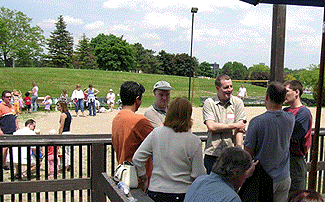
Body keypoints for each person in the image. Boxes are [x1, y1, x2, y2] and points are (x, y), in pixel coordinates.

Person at [133, 97, 206, 201]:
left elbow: (137, 158)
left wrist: (143, 177)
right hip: (183, 193)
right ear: (188, 115)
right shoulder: (194, 141)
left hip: (156, 191)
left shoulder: (156, 133)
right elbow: (198, 174)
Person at [244, 81, 295, 202]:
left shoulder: (257, 122)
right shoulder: (291, 118)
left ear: (267, 96)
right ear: (284, 99)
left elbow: (247, 152)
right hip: (284, 176)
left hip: (263, 178)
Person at [112, 81, 154, 190]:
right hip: (138, 179)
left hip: (123, 174)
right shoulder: (140, 121)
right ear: (137, 99)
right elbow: (159, 143)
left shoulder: (117, 118)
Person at [202, 74, 246, 174]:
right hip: (212, 154)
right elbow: (211, 126)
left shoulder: (238, 103)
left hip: (231, 154)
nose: (229, 89)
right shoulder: (209, 103)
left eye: (231, 86)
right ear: (217, 89)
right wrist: (235, 125)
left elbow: (240, 129)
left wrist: (239, 147)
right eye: (226, 87)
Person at [185, 147, 257, 202]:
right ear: (237, 173)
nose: (245, 177)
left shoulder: (199, 181)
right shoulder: (231, 198)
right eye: (244, 172)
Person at [283, 80, 312, 193]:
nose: (284, 95)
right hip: (283, 158)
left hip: (295, 159)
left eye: (286, 91)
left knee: (296, 193)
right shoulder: (285, 110)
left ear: (296, 92)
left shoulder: (303, 112)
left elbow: (294, 135)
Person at [0, 90, 19, 171]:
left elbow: (15, 118)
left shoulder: (12, 106)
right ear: (3, 98)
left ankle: (9, 163)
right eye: (7, 97)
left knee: (11, 148)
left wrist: (17, 128)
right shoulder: (0, 106)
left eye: (10, 97)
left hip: (12, 130)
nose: (9, 98)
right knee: (4, 149)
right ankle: (2, 164)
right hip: (4, 130)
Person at [56, 101, 72, 172]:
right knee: (68, 151)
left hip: (64, 133)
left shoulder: (63, 115)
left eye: (58, 105)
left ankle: (64, 167)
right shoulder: (69, 114)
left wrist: (59, 135)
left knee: (64, 151)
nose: (57, 107)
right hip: (69, 132)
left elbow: (61, 126)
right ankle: (69, 165)